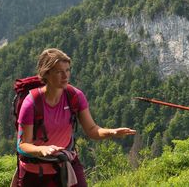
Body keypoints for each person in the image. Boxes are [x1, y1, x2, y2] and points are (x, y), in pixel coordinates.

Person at [16, 48, 136, 187]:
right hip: (37, 171)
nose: (65, 76)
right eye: (59, 72)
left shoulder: (74, 96)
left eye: (67, 70)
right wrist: (41, 150)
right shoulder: (32, 102)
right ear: (46, 73)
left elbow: (92, 129)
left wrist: (112, 132)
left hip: (66, 163)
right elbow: (23, 145)